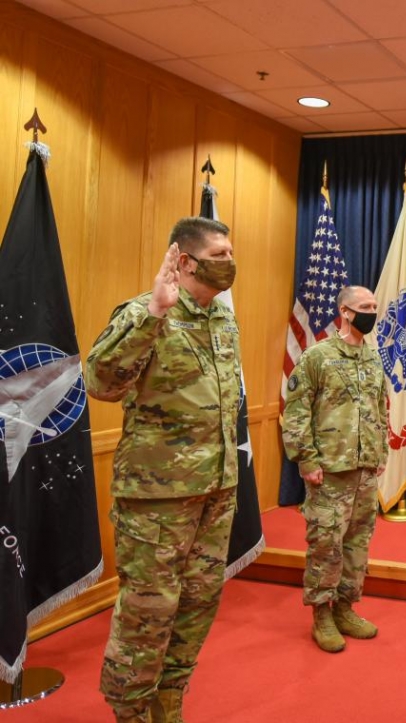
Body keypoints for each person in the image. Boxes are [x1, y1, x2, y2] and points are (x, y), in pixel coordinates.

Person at [86, 217, 240, 723]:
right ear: (185, 260)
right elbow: (101, 383)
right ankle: (129, 711)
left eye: (230, 252)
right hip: (157, 499)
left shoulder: (222, 319)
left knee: (198, 602)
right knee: (148, 612)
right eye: (219, 253)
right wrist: (153, 312)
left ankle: (168, 700)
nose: (229, 262)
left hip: (215, 489)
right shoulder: (144, 312)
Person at [282, 285, 389, 653]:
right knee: (326, 544)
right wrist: (306, 460)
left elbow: (380, 408)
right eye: (364, 306)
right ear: (344, 311)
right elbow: (295, 413)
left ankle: (345, 607)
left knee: (357, 545)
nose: (371, 311)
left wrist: (381, 454)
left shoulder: (373, 358)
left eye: (375, 306)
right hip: (330, 471)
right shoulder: (318, 357)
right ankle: (321, 615)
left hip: (364, 470)